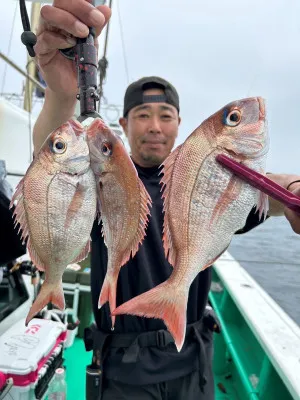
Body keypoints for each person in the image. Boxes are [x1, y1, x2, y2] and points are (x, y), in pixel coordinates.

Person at [32, 2, 300, 399]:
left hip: (192, 356)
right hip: (124, 364)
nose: (154, 127)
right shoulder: (102, 178)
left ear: (179, 123)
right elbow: (52, 168)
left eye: (165, 115)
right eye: (142, 114)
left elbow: (265, 192)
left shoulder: (210, 177)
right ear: (123, 124)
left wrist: (291, 187)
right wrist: (60, 94)